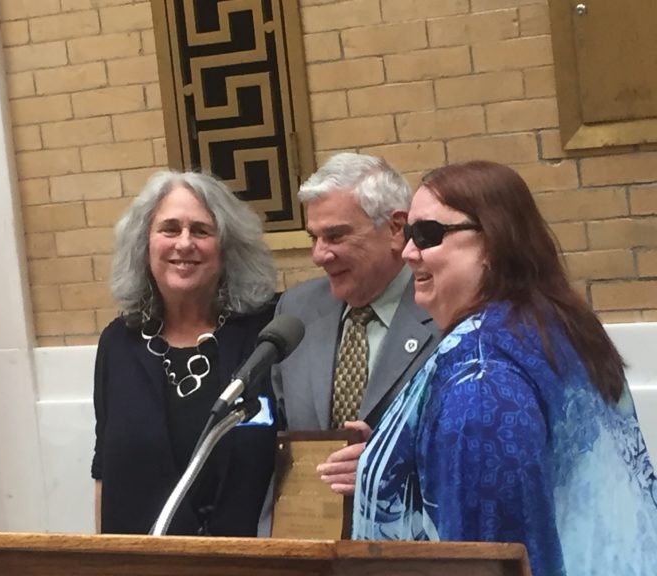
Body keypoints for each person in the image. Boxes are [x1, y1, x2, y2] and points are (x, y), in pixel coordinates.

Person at [352, 160, 657, 576]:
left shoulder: (480, 379)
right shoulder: (554, 324)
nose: (407, 252)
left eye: (427, 235)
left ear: (493, 242)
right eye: (408, 234)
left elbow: (491, 557)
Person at [92, 170, 278, 536]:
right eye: (170, 229)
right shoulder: (117, 343)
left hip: (249, 562)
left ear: (227, 248)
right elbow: (104, 472)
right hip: (147, 564)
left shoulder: (267, 334)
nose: (184, 243)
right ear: (145, 245)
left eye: (201, 230)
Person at [272, 152, 440, 495]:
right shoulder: (297, 310)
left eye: (335, 237)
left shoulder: (444, 311)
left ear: (396, 229)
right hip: (308, 532)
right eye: (313, 238)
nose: (319, 255)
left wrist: (391, 465)